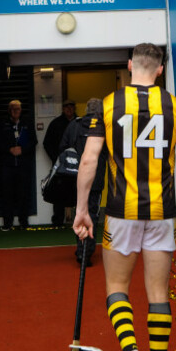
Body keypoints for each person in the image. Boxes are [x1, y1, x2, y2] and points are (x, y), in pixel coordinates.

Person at [73, 43, 176, 351]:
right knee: (158, 292)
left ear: (130, 66)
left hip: (120, 213)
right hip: (162, 215)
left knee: (117, 287)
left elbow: (88, 161)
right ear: (160, 70)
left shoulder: (107, 106)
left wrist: (82, 210)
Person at [60, 98, 106, 266]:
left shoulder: (74, 125)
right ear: (101, 112)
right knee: (92, 214)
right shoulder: (104, 126)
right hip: (97, 178)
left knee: (79, 213)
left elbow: (63, 148)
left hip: (77, 178)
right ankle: (86, 252)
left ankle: (81, 249)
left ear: (86, 109)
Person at [0, 99, 37, 231]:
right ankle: (7, 223)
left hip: (23, 165)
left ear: (21, 110)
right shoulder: (3, 124)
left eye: (18, 109)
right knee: (7, 194)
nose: (16, 111)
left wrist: (22, 150)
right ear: (9, 111)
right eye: (13, 109)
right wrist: (9, 149)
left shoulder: (27, 123)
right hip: (7, 165)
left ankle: (24, 222)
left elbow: (34, 142)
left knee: (23, 194)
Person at [43, 100, 76, 226]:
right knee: (59, 191)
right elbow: (46, 143)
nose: (69, 109)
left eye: (71, 106)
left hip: (77, 164)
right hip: (60, 164)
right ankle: (58, 220)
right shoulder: (56, 123)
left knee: (78, 190)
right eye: (66, 107)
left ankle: (78, 219)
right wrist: (55, 158)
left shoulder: (79, 122)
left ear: (74, 108)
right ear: (62, 109)